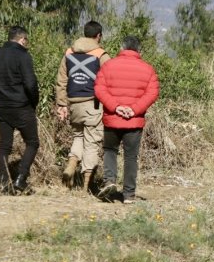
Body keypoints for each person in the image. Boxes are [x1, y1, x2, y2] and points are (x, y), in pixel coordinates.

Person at [94, 36, 160, 204]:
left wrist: (116, 107)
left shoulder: (109, 65)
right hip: (134, 121)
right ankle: (129, 195)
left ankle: (109, 181)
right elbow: (152, 93)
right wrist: (134, 109)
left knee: (110, 151)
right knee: (131, 157)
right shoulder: (148, 69)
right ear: (139, 51)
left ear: (122, 48)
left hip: (112, 118)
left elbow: (99, 89)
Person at [54, 20, 111, 192]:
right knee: (92, 142)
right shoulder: (101, 55)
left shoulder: (69, 52)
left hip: (73, 104)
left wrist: (62, 104)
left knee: (78, 136)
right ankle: (86, 185)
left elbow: (61, 80)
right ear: (98, 36)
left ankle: (72, 163)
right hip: (92, 104)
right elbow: (110, 79)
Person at [0, 25, 40, 194]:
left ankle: (4, 182)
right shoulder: (23, 56)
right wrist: (33, 102)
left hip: (3, 107)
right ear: (22, 39)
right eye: (26, 40)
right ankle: (21, 178)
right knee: (32, 142)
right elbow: (30, 83)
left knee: (4, 146)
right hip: (22, 106)